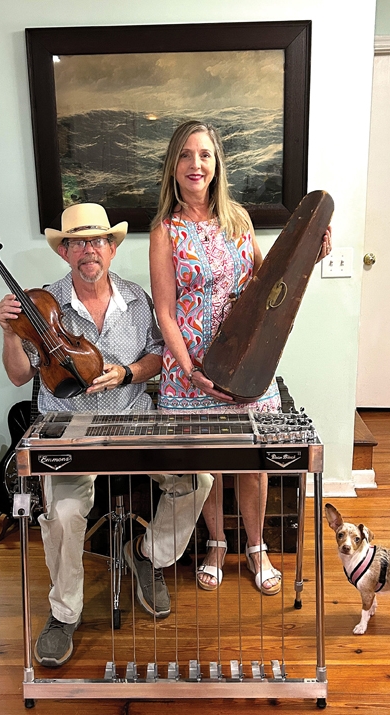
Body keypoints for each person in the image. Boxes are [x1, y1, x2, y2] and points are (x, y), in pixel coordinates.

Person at [0, 202, 212, 667]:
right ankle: (64, 612)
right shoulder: (40, 305)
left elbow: (159, 355)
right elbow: (17, 376)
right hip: (69, 429)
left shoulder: (137, 299)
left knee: (198, 482)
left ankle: (146, 555)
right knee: (65, 512)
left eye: (97, 241)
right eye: (77, 242)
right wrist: (11, 333)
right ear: (64, 252)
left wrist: (129, 372)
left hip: (133, 418)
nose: (88, 250)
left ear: (112, 249)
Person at [150, 121, 331, 595]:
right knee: (205, 468)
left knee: (253, 459)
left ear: (216, 163)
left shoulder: (239, 220)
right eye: (186, 155)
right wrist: (191, 370)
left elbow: (268, 284)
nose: (196, 164)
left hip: (246, 365)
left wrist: (310, 255)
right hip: (190, 373)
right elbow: (165, 312)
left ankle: (256, 546)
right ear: (173, 164)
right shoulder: (164, 231)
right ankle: (216, 543)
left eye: (205, 154)